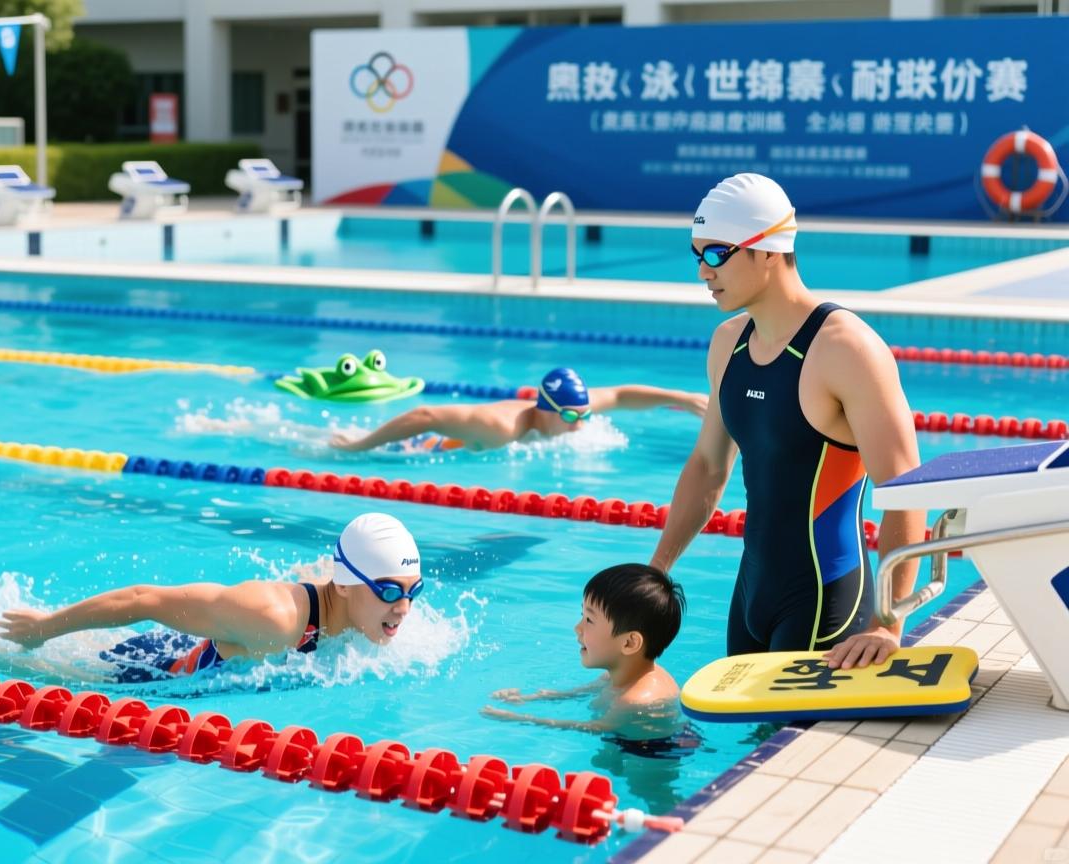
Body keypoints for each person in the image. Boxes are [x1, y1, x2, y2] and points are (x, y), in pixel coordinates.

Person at [648, 172, 924, 671]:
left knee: (803, 745)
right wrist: (658, 569)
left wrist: (889, 623)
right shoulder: (727, 342)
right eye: (698, 255)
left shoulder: (846, 348)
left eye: (716, 254)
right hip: (751, 596)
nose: (703, 272)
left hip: (827, 603)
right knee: (754, 748)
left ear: (768, 250)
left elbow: (905, 488)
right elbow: (709, 466)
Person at [0, 512, 425, 683]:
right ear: (348, 585)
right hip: (155, 670)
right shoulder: (271, 617)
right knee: (23, 666)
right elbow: (144, 597)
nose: (403, 608)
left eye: (413, 591)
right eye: (389, 591)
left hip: (200, 648)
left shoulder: (363, 608)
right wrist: (42, 629)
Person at [481, 563, 684, 732]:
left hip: (652, 755)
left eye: (589, 620)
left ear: (629, 643)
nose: (577, 628)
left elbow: (593, 728)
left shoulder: (636, 701)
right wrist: (528, 698)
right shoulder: (617, 673)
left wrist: (517, 718)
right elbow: (578, 693)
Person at [329, 367, 707, 452]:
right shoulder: (501, 427)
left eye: (586, 416)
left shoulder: (568, 412)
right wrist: (361, 445)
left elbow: (622, 395)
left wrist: (683, 397)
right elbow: (425, 416)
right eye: (572, 417)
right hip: (422, 446)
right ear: (546, 410)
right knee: (331, 442)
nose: (581, 425)